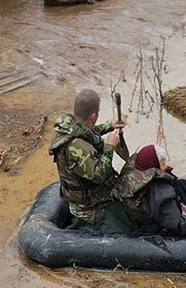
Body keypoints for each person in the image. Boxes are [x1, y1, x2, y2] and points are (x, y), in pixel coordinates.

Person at [49, 89, 132, 233]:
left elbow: (87, 134)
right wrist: (109, 147)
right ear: (94, 116)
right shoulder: (76, 147)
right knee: (131, 225)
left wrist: (108, 126)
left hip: (86, 195)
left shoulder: (70, 127)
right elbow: (99, 175)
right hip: (90, 207)